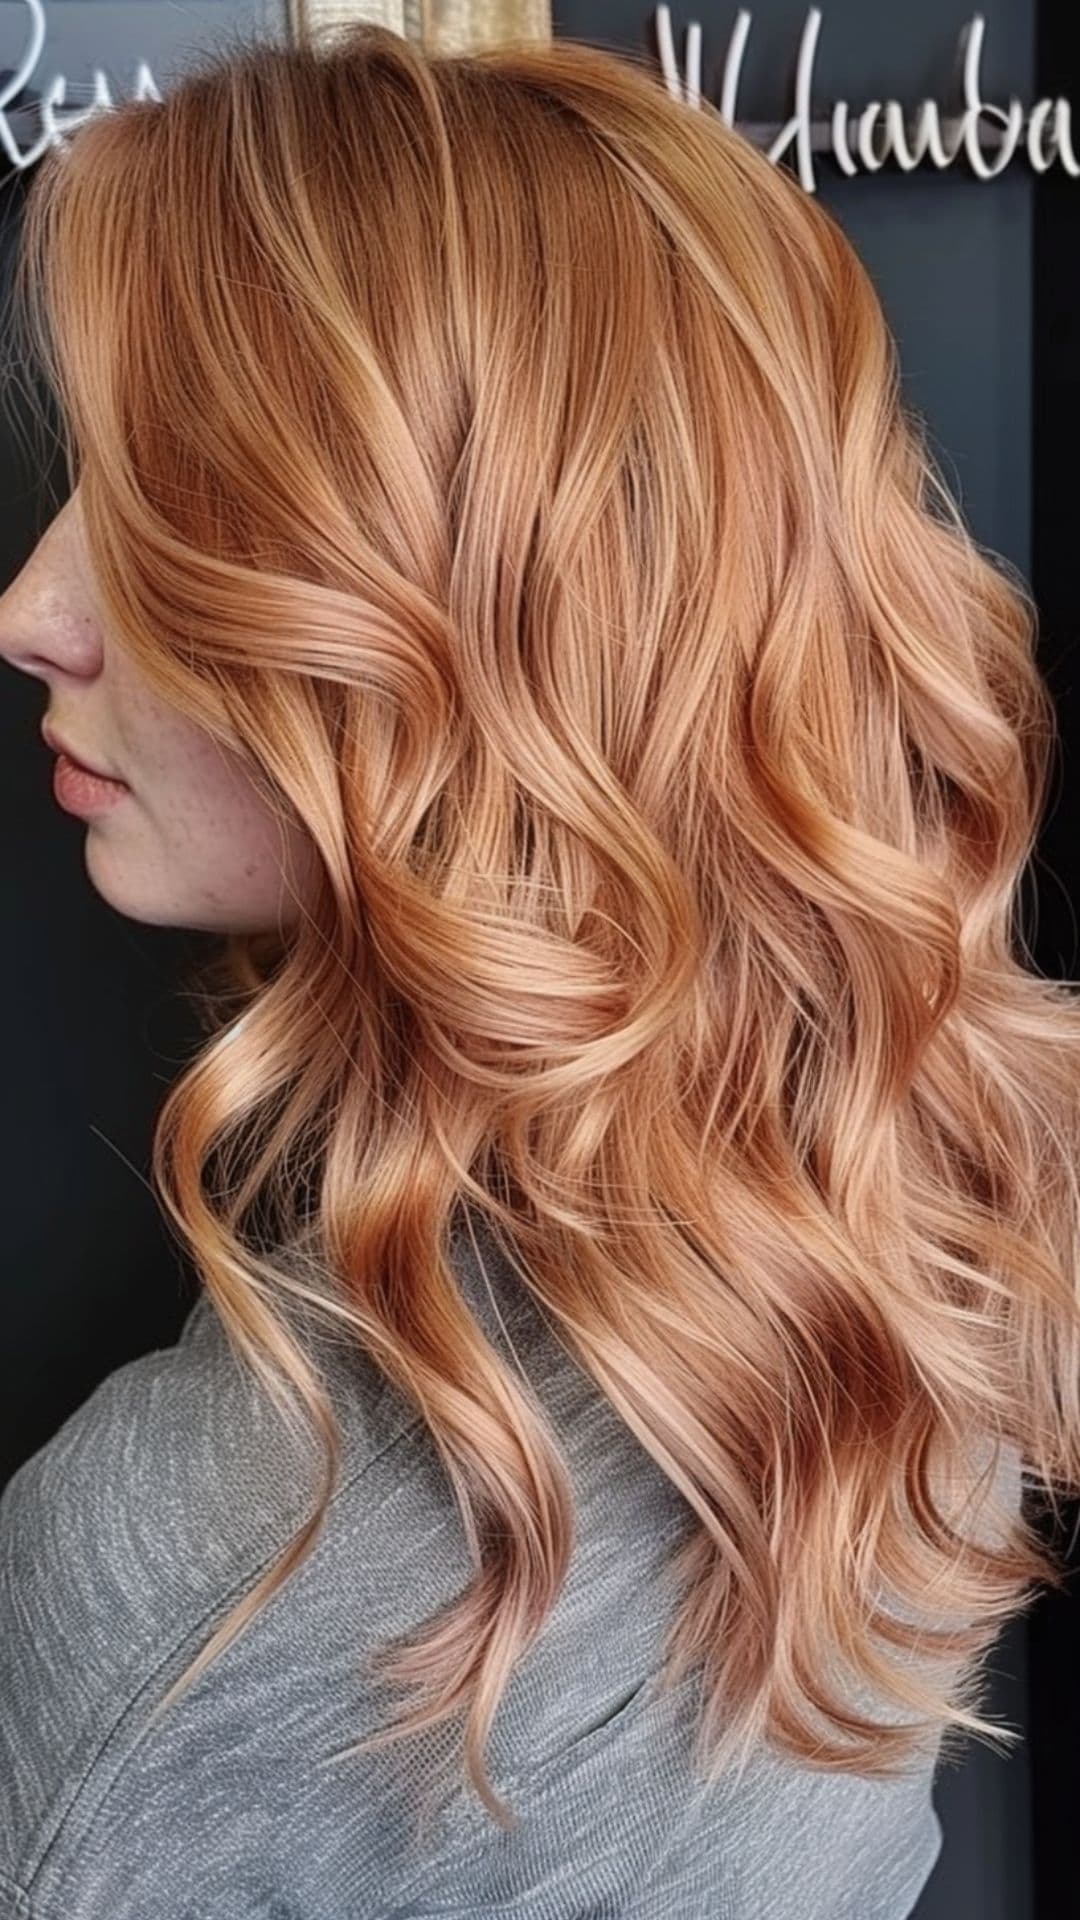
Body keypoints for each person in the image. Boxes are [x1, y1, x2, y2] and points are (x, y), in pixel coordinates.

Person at [0, 23, 1076, 1920]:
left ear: (473, 620)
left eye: (176, 512)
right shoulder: (940, 1217)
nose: (30, 608)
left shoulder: (178, 1586)